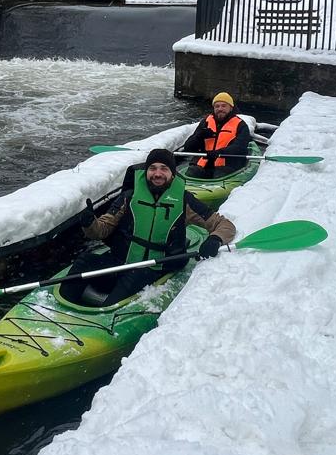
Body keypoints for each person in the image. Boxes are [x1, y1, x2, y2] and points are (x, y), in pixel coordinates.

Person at [65, 148, 236, 307]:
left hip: (153, 268)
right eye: (152, 168)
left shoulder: (184, 201)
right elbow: (101, 230)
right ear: (146, 171)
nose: (158, 173)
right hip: (120, 262)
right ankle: (58, 308)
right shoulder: (129, 196)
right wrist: (89, 223)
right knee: (84, 261)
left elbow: (224, 225)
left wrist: (215, 239)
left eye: (164, 168)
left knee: (129, 282)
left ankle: (104, 311)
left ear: (172, 173)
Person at [187, 92, 252, 176]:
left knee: (219, 174)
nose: (220, 109)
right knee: (192, 172)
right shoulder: (205, 122)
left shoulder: (241, 125)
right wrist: (199, 136)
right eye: (217, 106)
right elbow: (188, 147)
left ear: (231, 108)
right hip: (204, 163)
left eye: (224, 106)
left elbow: (240, 147)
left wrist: (219, 152)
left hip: (227, 164)